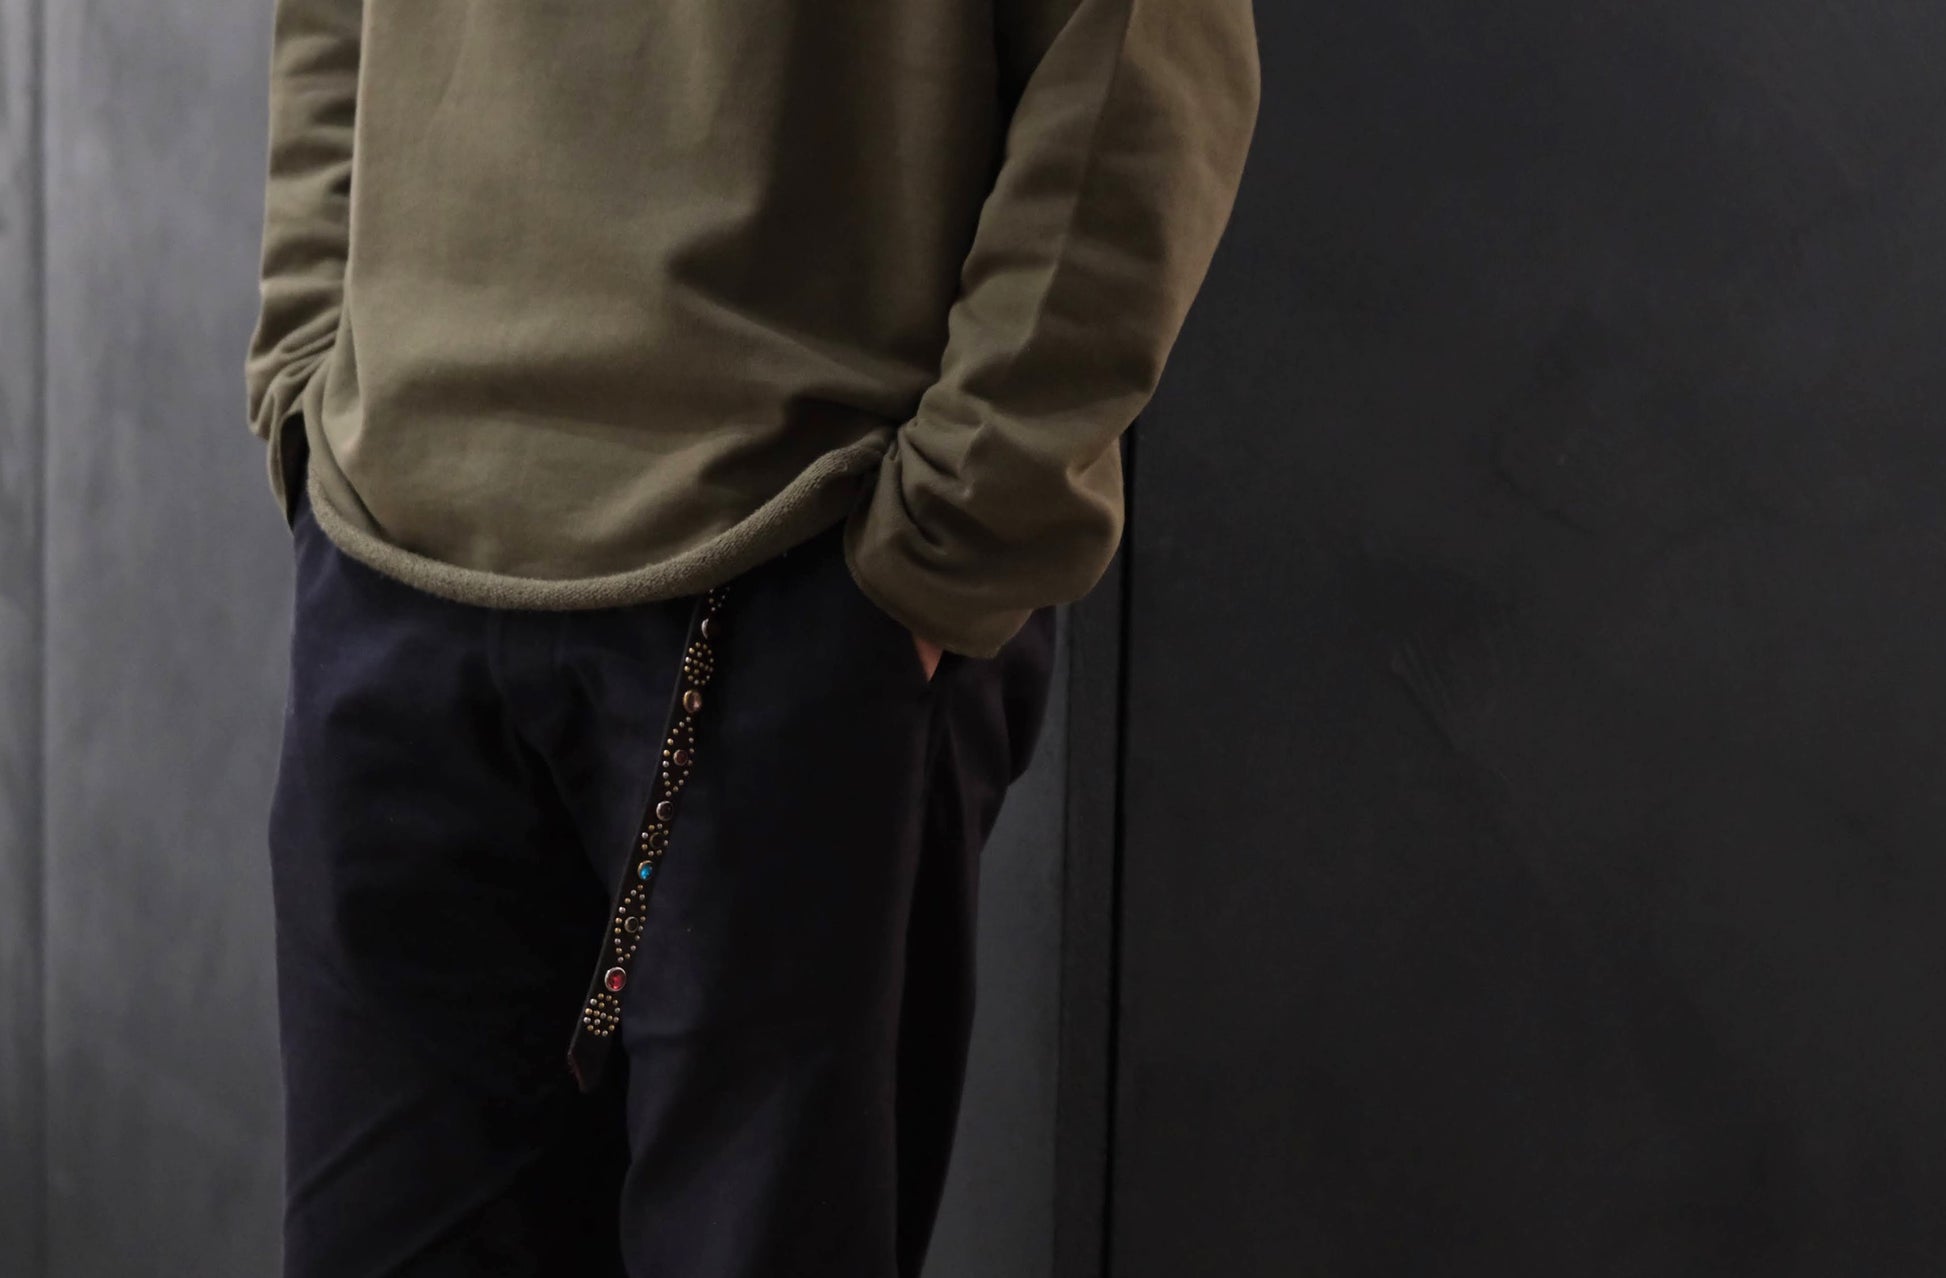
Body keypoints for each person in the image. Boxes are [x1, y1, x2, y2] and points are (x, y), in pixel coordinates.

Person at [243, 0, 1259, 1273]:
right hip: (396, 567)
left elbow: (1139, 61)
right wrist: (306, 376)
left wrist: (945, 535)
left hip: (782, 593)